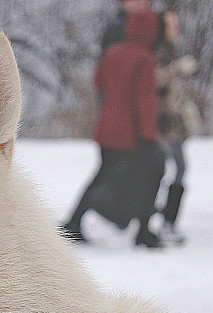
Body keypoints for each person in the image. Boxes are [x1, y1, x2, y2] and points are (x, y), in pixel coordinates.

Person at [63, 10, 164, 248]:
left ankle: (73, 222)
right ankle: (143, 232)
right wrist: (149, 135)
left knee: (102, 174)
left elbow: (98, 82)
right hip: (131, 132)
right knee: (150, 176)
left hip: (106, 127)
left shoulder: (112, 52)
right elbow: (143, 100)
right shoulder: (145, 58)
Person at [154, 10, 199, 244]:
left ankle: (164, 218)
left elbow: (174, 90)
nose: (176, 28)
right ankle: (164, 221)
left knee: (175, 170)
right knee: (167, 169)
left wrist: (187, 108)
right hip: (163, 125)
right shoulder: (158, 50)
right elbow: (154, 80)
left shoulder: (170, 50)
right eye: (171, 24)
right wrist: (174, 70)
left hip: (174, 124)